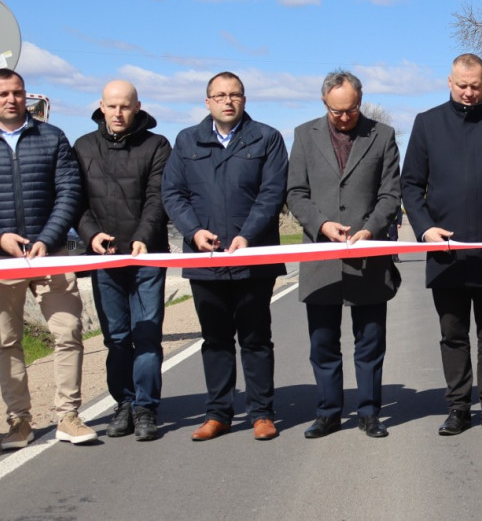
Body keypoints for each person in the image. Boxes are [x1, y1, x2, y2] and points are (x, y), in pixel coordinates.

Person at [0, 68, 97, 447]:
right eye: (3, 94)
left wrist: (48, 237)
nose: (11, 100)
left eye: (17, 92)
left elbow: (69, 193)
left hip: (52, 254)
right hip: (0, 259)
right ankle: (19, 421)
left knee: (68, 332)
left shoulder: (52, 138)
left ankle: (68, 416)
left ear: (25, 95)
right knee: (7, 341)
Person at [402, 53, 482, 436]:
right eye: (462, 85)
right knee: (453, 334)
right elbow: (410, 183)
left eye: (475, 86)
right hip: (447, 252)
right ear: (449, 82)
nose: (469, 93)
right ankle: (458, 407)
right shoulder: (427, 124)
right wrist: (424, 228)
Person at [162, 71, 288, 441]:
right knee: (215, 340)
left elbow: (272, 192)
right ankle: (218, 414)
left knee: (255, 338)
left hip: (253, 259)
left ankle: (262, 413)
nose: (227, 101)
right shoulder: (187, 140)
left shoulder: (267, 138)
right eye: (220, 95)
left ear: (244, 100)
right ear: (208, 102)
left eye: (234, 95)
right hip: (206, 260)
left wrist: (248, 235)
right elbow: (173, 194)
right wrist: (193, 231)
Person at [285, 70, 401, 439]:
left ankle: (369, 412)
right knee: (323, 342)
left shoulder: (382, 136)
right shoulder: (304, 135)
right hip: (321, 256)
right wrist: (321, 225)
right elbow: (296, 194)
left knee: (370, 341)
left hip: (368, 256)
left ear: (360, 102)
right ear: (324, 105)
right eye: (337, 112)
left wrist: (370, 228)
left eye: (351, 109)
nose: (346, 117)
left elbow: (390, 194)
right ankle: (328, 412)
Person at [74, 80, 171, 441]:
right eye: (111, 106)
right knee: (116, 337)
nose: (117, 113)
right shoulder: (83, 147)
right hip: (104, 257)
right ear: (101, 106)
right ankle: (124, 402)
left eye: (125, 106)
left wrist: (143, 237)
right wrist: (90, 235)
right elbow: (75, 200)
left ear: (137, 107)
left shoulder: (157, 145)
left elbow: (157, 197)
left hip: (147, 256)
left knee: (146, 332)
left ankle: (146, 408)